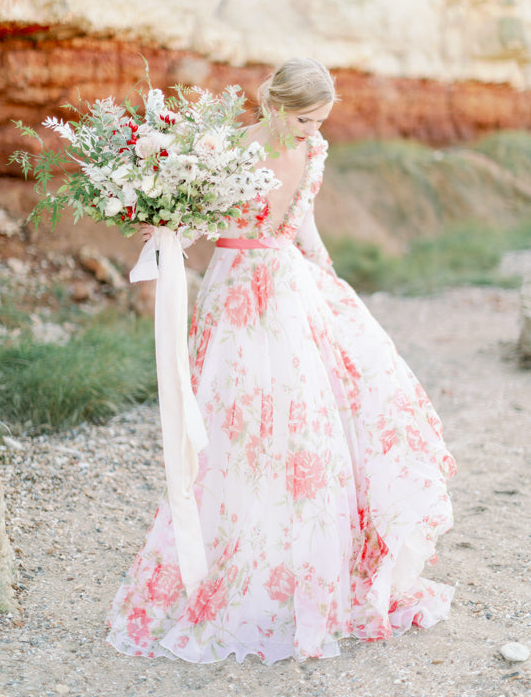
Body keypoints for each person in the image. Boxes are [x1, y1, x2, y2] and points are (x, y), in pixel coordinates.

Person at [106, 57, 456, 664]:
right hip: (236, 291)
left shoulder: (315, 151)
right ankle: (233, 560)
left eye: (322, 120)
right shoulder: (224, 150)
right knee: (236, 427)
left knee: (306, 429)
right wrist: (164, 231)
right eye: (304, 118)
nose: (312, 131)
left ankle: (302, 568)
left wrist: (330, 280)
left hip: (289, 287)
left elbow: (303, 224)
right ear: (272, 104)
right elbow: (196, 216)